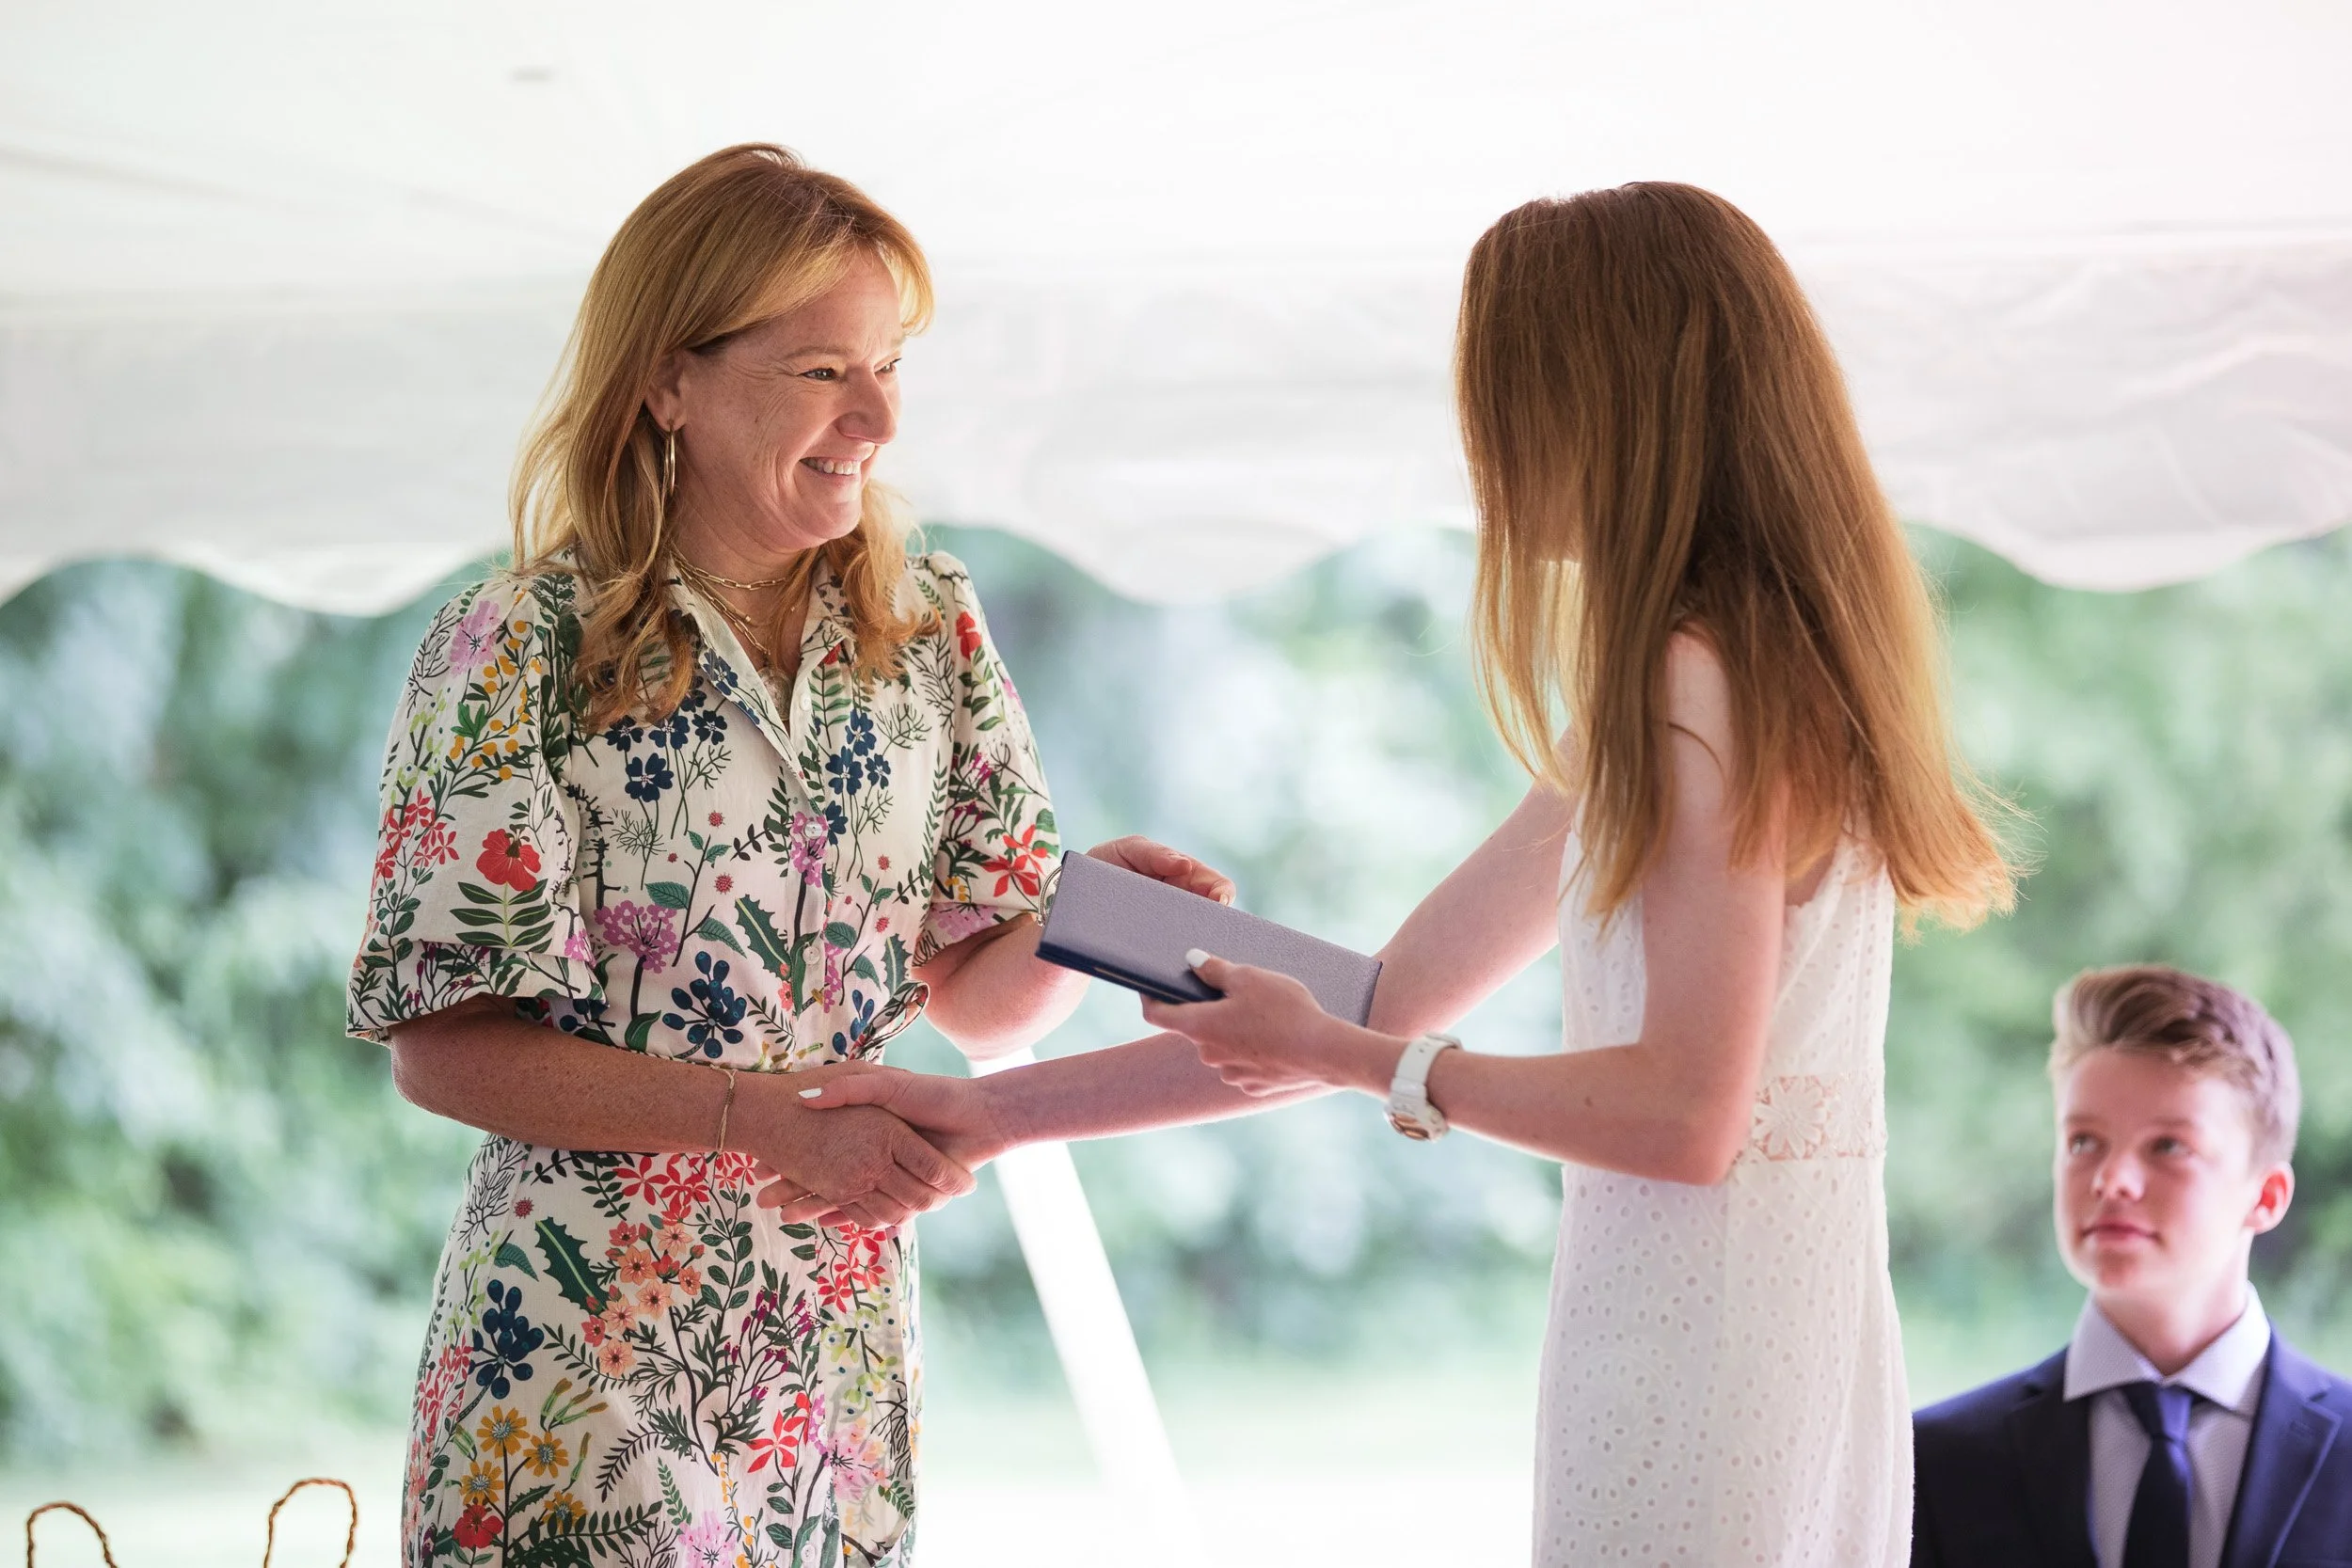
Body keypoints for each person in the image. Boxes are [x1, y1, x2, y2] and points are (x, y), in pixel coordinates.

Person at [790, 182, 2015, 1564]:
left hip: (1710, 1356)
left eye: (1504, 389)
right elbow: (1372, 997)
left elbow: (1683, 1112)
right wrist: (984, 1108)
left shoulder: (1696, 684)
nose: (1479, 442)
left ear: (1606, 402)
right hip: (1751, 1342)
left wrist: (1382, 1065)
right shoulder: (1722, 675)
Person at [346, 144, 1228, 1566]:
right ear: (668, 380)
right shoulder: (514, 643)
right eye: (824, 369)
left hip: (834, 1332)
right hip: (584, 1348)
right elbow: (444, 1049)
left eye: (888, 365)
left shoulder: (926, 621)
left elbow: (972, 990)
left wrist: (1080, 915)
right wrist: (759, 1116)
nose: (877, 413)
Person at [1912, 965, 2352, 1567]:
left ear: (2267, 1197)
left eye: (2169, 1146)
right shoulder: (1937, 1462)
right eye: (2083, 1141)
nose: (2110, 1180)